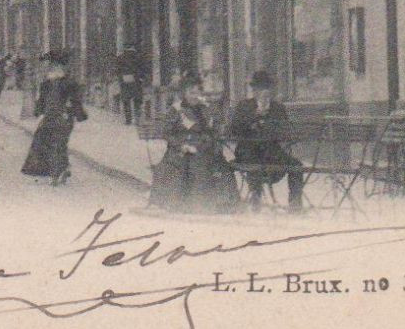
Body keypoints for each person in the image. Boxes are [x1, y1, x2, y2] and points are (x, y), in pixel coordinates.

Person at [148, 77, 238, 213]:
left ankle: (219, 203)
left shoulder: (206, 109)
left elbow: (213, 131)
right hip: (181, 149)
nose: (195, 96)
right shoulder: (176, 110)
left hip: (203, 146)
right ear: (184, 93)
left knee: (218, 165)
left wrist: (206, 142)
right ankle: (185, 204)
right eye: (191, 92)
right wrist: (180, 145)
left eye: (197, 93)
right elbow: (167, 133)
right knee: (180, 166)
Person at [228, 70, 304, 210]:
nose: (264, 92)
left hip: (272, 152)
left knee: (296, 165)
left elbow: (286, 131)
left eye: (267, 88)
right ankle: (256, 199)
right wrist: (255, 116)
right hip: (248, 151)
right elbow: (234, 130)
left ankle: (295, 203)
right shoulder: (244, 106)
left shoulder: (277, 108)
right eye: (260, 88)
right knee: (255, 164)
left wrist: (274, 126)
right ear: (254, 90)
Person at [22, 50, 87, 184]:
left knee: (59, 142)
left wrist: (78, 114)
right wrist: (38, 112)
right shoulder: (47, 84)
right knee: (48, 142)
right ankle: (61, 168)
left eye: (56, 67)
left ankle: (57, 170)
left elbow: (75, 101)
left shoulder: (69, 84)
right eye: (52, 67)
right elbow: (42, 101)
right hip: (51, 117)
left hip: (63, 117)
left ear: (62, 68)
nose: (53, 70)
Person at [115, 44, 145, 126]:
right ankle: (137, 119)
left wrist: (121, 77)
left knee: (126, 101)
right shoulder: (138, 57)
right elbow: (142, 69)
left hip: (124, 82)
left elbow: (117, 70)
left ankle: (128, 120)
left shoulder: (120, 57)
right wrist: (140, 78)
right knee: (137, 101)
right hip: (136, 81)